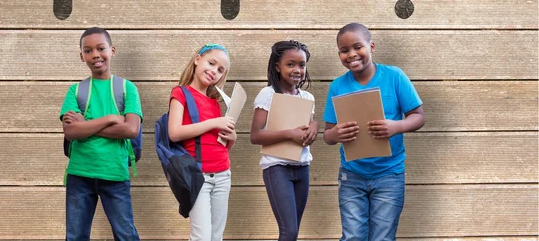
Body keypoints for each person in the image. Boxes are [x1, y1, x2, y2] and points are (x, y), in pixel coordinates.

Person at [323, 23, 425, 241]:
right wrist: (337, 133)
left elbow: (418, 117)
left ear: (372, 46)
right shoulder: (337, 86)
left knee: (382, 238)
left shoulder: (395, 77)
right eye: (344, 50)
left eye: (357, 47)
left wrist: (396, 126)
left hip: (390, 174)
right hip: (351, 175)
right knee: (352, 237)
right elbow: (327, 135)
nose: (351, 54)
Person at [60, 27, 142, 241]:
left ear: (112, 50)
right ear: (81, 56)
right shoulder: (75, 91)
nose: (95, 54)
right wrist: (110, 119)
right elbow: (71, 131)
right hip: (80, 174)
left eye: (100, 48)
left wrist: (86, 125)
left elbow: (131, 130)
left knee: (126, 235)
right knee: (76, 236)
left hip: (114, 173)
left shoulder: (127, 88)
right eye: (87, 51)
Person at [250, 40, 318, 241]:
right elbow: (256, 135)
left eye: (302, 65)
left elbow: (308, 132)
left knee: (293, 230)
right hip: (277, 168)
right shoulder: (268, 94)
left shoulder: (307, 97)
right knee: (289, 231)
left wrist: (314, 128)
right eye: (290, 64)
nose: (297, 69)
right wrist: (289, 134)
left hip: (302, 167)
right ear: (278, 66)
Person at [168, 43, 237, 241]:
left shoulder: (215, 102)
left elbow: (220, 145)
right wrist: (214, 122)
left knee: (216, 236)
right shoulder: (180, 93)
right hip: (198, 176)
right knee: (202, 236)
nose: (214, 71)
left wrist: (230, 137)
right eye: (211, 63)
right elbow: (174, 132)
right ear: (197, 59)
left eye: (220, 70)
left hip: (223, 174)